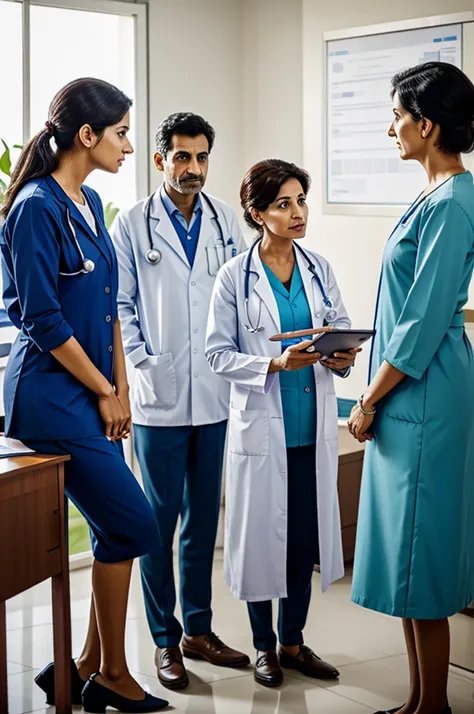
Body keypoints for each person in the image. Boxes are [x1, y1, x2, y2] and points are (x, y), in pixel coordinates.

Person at [0, 78, 168, 713]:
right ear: (86, 135)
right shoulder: (36, 208)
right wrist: (104, 391)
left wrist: (120, 390)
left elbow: (109, 309)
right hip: (51, 398)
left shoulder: (90, 203)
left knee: (114, 526)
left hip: (94, 393)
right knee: (131, 521)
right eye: (122, 133)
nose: (129, 145)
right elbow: (42, 320)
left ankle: (86, 668)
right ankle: (115, 674)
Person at [348, 61, 474, 714]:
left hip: (424, 390)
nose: (391, 126)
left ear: (426, 124)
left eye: (397, 114)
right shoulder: (434, 196)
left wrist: (369, 398)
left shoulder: (454, 202)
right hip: (409, 389)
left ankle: (432, 706)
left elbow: (422, 322)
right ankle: (423, 701)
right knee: (406, 554)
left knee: (420, 552)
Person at [205, 158, 359, 687]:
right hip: (262, 431)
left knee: (300, 543)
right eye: (283, 204)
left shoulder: (318, 268)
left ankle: (293, 641)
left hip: (308, 430)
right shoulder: (234, 277)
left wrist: (341, 355)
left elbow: (337, 327)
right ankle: (264, 646)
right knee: (258, 543)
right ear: (257, 213)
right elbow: (217, 355)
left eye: (300, 200)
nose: (297, 213)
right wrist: (273, 362)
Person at [110, 112, 249, 690]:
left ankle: (199, 630)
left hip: (213, 396)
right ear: (160, 159)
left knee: (201, 522)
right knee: (157, 522)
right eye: (181, 157)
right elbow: (117, 306)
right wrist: (142, 361)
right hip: (159, 397)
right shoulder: (133, 225)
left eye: (201, 157)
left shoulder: (224, 223)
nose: (192, 169)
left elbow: (241, 298)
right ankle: (165, 640)